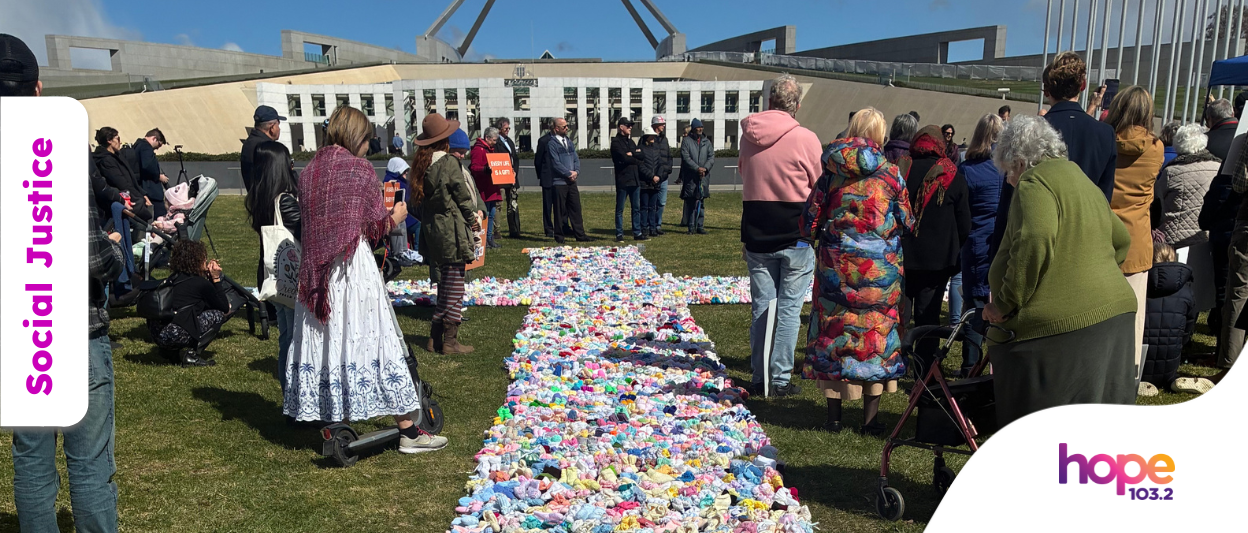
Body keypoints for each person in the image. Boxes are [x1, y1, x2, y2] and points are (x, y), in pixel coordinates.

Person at [6, 33, 125, 529]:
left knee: (32, 461)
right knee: (90, 463)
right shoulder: (51, 151)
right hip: (75, 331)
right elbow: (92, 258)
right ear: (37, 90)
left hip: (17, 333)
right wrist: (115, 251)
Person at [286, 106, 447, 454]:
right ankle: (409, 430)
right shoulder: (359, 170)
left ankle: (332, 417)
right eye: (367, 138)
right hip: (350, 268)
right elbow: (375, 224)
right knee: (373, 339)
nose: (368, 145)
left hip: (317, 274)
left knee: (329, 342)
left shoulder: (309, 171)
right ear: (356, 135)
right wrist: (395, 217)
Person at [985, 115, 1138, 427]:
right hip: (1116, 311)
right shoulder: (1080, 178)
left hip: (1063, 327)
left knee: (1050, 426)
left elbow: (1035, 240)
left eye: (1008, 172)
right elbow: (1121, 239)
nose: (1010, 181)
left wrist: (1004, 303)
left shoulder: (1034, 182)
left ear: (1018, 161)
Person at [802, 108, 914, 434]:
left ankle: (834, 418)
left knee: (835, 332)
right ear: (879, 135)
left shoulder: (831, 172)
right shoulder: (891, 174)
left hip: (836, 268)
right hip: (880, 272)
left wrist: (816, 236)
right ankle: (870, 421)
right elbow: (907, 220)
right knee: (876, 337)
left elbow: (809, 218)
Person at [739, 74, 822, 398]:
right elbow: (818, 186)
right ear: (797, 105)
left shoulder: (748, 136)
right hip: (795, 234)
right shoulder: (806, 138)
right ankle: (780, 377)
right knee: (788, 310)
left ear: (769, 102)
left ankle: (760, 377)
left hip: (758, 231)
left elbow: (745, 171)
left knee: (762, 306)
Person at [992, 51, 1118, 259]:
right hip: (1084, 247)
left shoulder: (1029, 132)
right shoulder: (1105, 134)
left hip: (1035, 248)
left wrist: (997, 261)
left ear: (1047, 90)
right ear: (1083, 86)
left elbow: (1010, 201)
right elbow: (1104, 201)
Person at [1105, 85, 1164, 385]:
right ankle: (1129, 377)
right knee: (1134, 317)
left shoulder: (1104, 141)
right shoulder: (1156, 148)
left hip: (1102, 237)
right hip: (1137, 242)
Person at [898, 125, 970, 363]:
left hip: (900, 255)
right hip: (936, 260)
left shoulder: (900, 171)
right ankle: (923, 366)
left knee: (899, 313)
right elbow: (964, 223)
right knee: (928, 317)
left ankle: (896, 362)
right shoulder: (952, 176)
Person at [417, 120, 481, 355]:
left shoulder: (423, 164)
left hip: (434, 232)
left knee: (445, 286)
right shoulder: (448, 163)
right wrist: (473, 220)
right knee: (455, 288)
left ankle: (435, 338)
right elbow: (462, 196)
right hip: (451, 231)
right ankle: (450, 341)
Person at [246, 141, 302, 388]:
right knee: (292, 339)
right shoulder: (285, 201)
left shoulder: (262, 198)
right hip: (290, 277)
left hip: (275, 278)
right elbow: (304, 231)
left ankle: (288, 396)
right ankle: (293, 396)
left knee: (285, 338)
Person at [957, 113, 1005, 378]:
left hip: (976, 241)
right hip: (1001, 241)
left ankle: (970, 365)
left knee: (974, 305)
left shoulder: (968, 170)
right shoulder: (1009, 168)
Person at [146, 240, 233, 367]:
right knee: (218, 315)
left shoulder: (173, 278)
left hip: (157, 333)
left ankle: (170, 352)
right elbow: (224, 307)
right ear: (197, 260)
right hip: (175, 334)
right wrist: (215, 279)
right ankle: (191, 355)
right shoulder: (200, 283)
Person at [1141, 242, 1201, 395]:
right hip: (1171, 359)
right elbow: (1188, 327)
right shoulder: (1186, 291)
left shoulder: (1140, 286)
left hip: (1139, 360)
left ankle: (1144, 383)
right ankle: (1172, 381)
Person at [1158, 124, 1220, 248]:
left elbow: (1158, 202)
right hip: (1205, 236)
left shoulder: (1171, 171)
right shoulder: (1218, 167)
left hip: (1174, 238)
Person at [93, 126, 152, 226]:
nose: (120, 142)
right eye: (117, 138)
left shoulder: (117, 156)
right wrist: (139, 198)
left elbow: (131, 178)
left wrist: (143, 194)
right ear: (109, 141)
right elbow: (121, 183)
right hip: (125, 202)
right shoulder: (106, 160)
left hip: (133, 197)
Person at [549, 117, 591, 242]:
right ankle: (559, 236)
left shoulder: (569, 142)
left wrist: (576, 171)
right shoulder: (552, 144)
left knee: (575, 208)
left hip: (571, 182)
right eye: (564, 127)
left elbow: (575, 158)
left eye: (567, 126)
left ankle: (580, 235)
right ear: (557, 129)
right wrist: (568, 173)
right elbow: (555, 163)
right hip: (559, 182)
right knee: (559, 210)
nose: (567, 128)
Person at [611, 116, 647, 242]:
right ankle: (619, 234)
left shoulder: (631, 142)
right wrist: (633, 156)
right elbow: (623, 158)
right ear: (621, 127)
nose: (630, 127)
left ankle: (637, 232)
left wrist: (633, 154)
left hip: (635, 179)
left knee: (636, 208)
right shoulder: (616, 142)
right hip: (623, 180)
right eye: (628, 125)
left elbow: (641, 155)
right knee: (620, 208)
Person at [384, 156, 422, 263]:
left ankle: (409, 250)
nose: (406, 175)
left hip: (405, 214)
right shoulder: (392, 183)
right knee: (420, 225)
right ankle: (418, 249)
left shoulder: (399, 182)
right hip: (401, 215)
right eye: (404, 172)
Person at [470, 127, 503, 248]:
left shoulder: (490, 149)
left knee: (492, 213)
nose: (496, 142)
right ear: (487, 138)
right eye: (494, 140)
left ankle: (489, 238)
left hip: (491, 186)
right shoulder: (479, 150)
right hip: (483, 187)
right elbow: (474, 167)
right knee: (485, 213)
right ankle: (483, 239)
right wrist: (484, 170)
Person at [680, 118, 715, 235]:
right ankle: (691, 226)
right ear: (693, 129)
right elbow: (686, 157)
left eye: (701, 127)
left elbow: (711, 157)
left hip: (703, 177)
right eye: (697, 128)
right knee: (691, 202)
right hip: (691, 177)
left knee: (701, 201)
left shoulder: (707, 142)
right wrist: (697, 168)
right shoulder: (687, 141)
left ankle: (700, 225)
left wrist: (705, 168)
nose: (700, 129)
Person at [241, 105, 286, 193]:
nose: (279, 129)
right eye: (278, 124)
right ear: (272, 127)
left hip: (254, 201)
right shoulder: (268, 148)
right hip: (271, 203)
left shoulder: (248, 144)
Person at [129, 128, 169, 218]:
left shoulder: (138, 146)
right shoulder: (146, 147)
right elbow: (147, 166)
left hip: (143, 187)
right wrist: (158, 176)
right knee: (160, 217)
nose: (158, 148)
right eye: (159, 144)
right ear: (154, 138)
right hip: (151, 190)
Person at [493, 118, 522, 238]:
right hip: (501, 177)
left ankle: (514, 229)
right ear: (499, 129)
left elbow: (515, 158)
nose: (508, 130)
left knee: (513, 203)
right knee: (499, 204)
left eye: (509, 128)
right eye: (506, 128)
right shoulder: (496, 142)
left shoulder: (509, 141)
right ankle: (497, 230)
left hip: (511, 177)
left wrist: (514, 171)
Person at [638, 125, 665, 236]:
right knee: (644, 207)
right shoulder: (641, 149)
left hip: (655, 182)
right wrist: (651, 176)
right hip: (645, 182)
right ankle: (644, 228)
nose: (653, 138)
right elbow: (641, 165)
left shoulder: (656, 149)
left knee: (653, 207)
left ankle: (652, 228)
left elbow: (661, 164)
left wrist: (658, 176)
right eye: (651, 136)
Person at [535, 119, 557, 237]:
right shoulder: (543, 141)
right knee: (548, 205)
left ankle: (562, 225)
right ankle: (548, 228)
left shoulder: (560, 140)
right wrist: (541, 175)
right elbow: (538, 160)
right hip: (547, 177)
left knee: (560, 204)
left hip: (560, 177)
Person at [652, 115, 674, 233]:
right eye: (662, 124)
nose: (664, 126)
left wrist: (668, 169)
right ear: (655, 126)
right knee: (652, 203)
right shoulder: (648, 138)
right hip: (653, 176)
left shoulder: (664, 140)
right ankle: (650, 225)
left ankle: (658, 225)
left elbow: (669, 156)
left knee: (661, 202)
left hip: (664, 176)